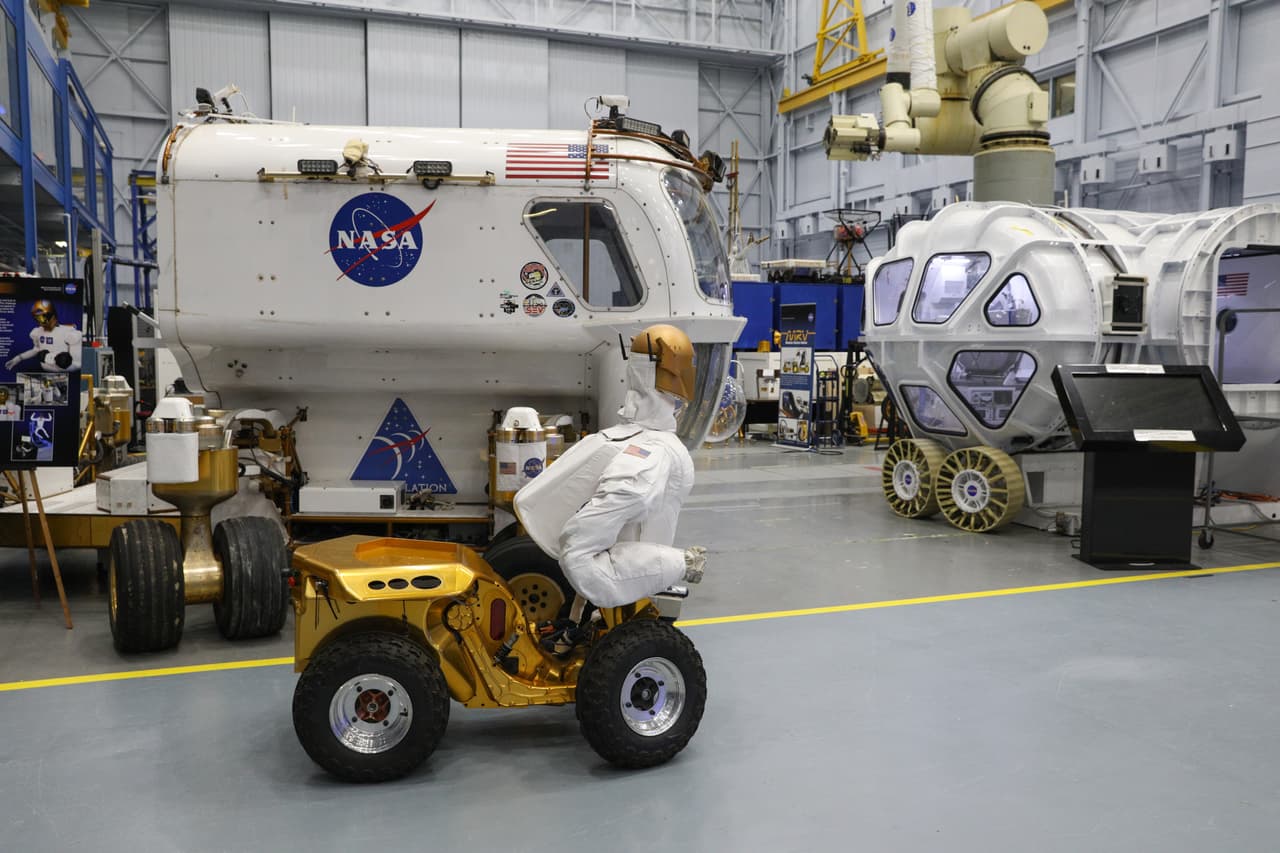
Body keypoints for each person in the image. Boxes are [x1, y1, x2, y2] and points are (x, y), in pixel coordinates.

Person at [515, 323, 708, 633]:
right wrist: (679, 564)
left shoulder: (618, 437)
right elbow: (592, 534)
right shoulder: (653, 450)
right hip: (619, 593)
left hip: (612, 578)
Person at [5, 300, 82, 372]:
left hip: (64, 373)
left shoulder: (69, 333)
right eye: (38, 318)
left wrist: (66, 363)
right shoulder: (37, 332)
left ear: (52, 315)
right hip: (44, 372)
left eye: (44, 317)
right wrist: (18, 358)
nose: (41, 321)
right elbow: (36, 350)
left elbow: (78, 364)